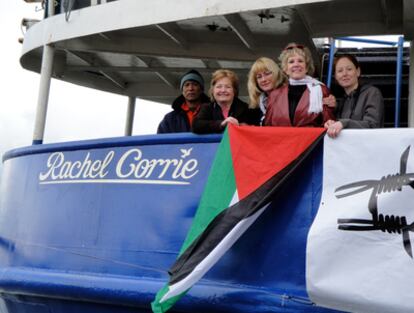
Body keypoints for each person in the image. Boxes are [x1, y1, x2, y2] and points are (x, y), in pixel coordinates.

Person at [263, 43, 335, 127]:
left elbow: (328, 123)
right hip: (281, 140)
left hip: (311, 139)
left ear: (307, 67)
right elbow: (267, 127)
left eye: (300, 61)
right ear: (285, 69)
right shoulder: (274, 95)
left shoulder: (321, 90)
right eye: (291, 61)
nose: (296, 64)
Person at [324, 54, 384, 138]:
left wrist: (344, 123)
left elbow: (372, 125)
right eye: (340, 71)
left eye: (349, 69)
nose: (344, 74)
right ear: (336, 77)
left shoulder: (372, 93)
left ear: (358, 71)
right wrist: (331, 123)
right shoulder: (342, 101)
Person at [192, 69, 258, 134]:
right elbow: (196, 126)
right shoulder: (207, 108)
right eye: (219, 87)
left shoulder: (246, 109)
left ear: (234, 91)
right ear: (213, 90)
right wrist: (221, 124)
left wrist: (240, 126)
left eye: (228, 87)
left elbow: (257, 128)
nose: (223, 90)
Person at [247, 57, 286, 125]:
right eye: (259, 77)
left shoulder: (289, 97)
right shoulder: (257, 105)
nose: (263, 79)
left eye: (267, 74)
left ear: (276, 74)